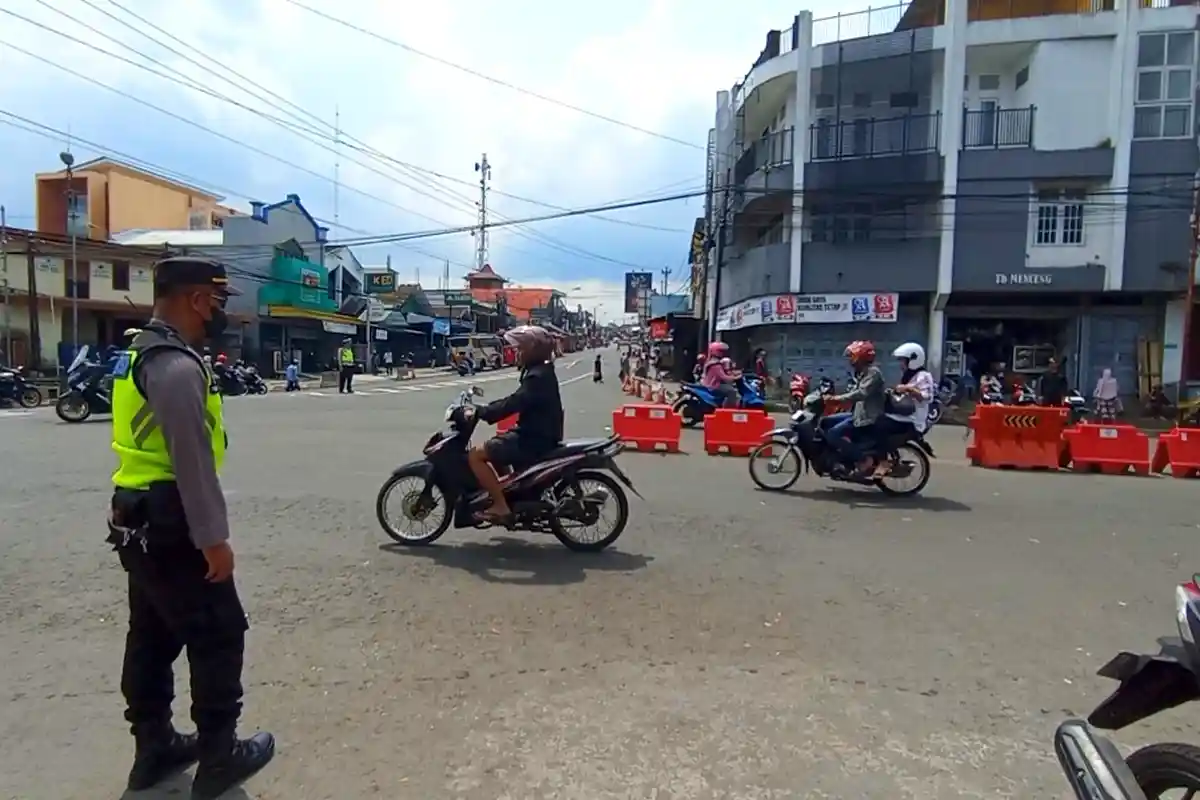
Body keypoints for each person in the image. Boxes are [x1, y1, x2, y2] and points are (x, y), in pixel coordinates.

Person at [107, 256, 274, 799]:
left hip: (135, 516)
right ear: (199, 299)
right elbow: (191, 461)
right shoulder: (177, 367)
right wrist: (213, 540)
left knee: (152, 635)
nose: (219, 313)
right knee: (219, 632)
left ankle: (153, 747)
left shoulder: (138, 352)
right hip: (173, 518)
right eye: (218, 301)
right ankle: (219, 755)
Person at [466, 325, 564, 522]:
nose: (517, 353)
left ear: (533, 350)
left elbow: (513, 403)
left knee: (476, 455)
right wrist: (486, 409)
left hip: (533, 438)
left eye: (521, 348)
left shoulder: (537, 377)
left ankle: (501, 506)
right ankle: (511, 492)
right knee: (495, 447)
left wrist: (483, 412)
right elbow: (515, 400)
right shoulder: (540, 371)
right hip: (537, 433)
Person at [875, 343, 936, 477]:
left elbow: (927, 397)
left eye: (903, 360)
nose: (901, 364)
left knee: (878, 425)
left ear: (913, 359)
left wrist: (908, 389)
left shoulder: (923, 376)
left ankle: (884, 462)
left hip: (912, 421)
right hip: (902, 417)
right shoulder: (909, 375)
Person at [827, 340, 886, 477]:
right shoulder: (861, 373)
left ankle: (862, 459)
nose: (850, 360)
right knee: (826, 422)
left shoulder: (873, 373)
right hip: (857, 415)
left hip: (867, 419)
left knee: (833, 434)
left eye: (852, 357)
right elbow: (852, 392)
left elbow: (861, 393)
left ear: (862, 358)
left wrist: (836, 399)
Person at [700, 342, 738, 408]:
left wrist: (734, 374)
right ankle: (727, 411)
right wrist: (735, 378)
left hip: (711, 384)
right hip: (714, 386)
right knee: (732, 391)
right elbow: (723, 377)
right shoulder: (716, 364)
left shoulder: (713, 362)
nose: (723, 353)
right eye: (721, 351)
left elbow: (725, 372)